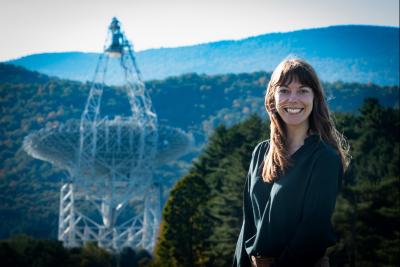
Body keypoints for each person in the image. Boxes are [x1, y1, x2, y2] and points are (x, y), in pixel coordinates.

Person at [233, 58, 350, 267]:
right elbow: (249, 223)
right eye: (284, 90)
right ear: (272, 98)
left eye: (303, 90)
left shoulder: (324, 158)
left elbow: (312, 235)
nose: (293, 99)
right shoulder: (261, 152)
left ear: (315, 98)